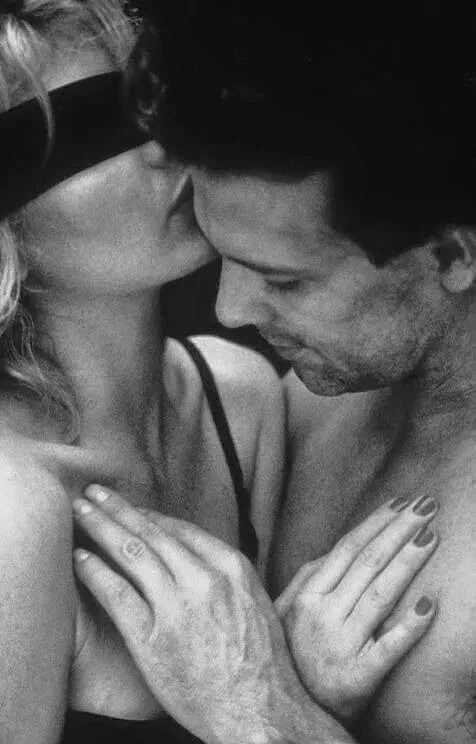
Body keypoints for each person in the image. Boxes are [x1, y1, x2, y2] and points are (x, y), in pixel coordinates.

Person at [0, 2, 438, 744]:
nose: (163, 149)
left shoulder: (240, 400)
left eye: (143, 107)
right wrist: (270, 713)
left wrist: (295, 695)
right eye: (85, 136)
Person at [107, 2, 474, 743]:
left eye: (285, 280)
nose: (231, 309)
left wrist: (262, 712)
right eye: (224, 258)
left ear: (452, 255)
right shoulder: (298, 411)